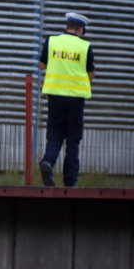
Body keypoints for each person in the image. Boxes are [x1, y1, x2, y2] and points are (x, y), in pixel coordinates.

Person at [39, 12, 95, 187]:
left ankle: (48, 162)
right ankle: (70, 181)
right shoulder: (85, 46)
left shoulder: (52, 41)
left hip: (55, 97)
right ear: (81, 29)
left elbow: (41, 65)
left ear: (67, 26)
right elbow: (91, 74)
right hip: (76, 99)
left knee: (54, 135)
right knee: (73, 140)